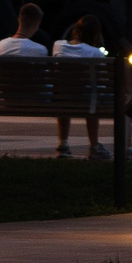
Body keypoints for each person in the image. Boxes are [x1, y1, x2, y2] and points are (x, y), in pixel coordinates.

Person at [50, 15, 110, 159]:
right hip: (86, 100)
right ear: (96, 34)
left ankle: (63, 144)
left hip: (62, 98)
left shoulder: (58, 45)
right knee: (92, 96)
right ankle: (94, 146)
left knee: (65, 93)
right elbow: (101, 79)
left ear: (75, 30)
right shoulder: (95, 53)